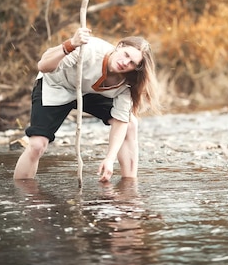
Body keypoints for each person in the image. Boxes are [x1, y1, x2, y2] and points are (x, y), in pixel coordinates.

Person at [13, 27, 160, 182]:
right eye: (126, 55)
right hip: (56, 85)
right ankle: (24, 196)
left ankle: (129, 190)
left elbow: (121, 120)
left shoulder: (129, 81)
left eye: (132, 63)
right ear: (120, 46)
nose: (125, 63)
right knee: (37, 145)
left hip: (90, 92)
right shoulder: (88, 49)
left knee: (130, 124)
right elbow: (43, 66)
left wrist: (110, 159)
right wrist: (70, 45)